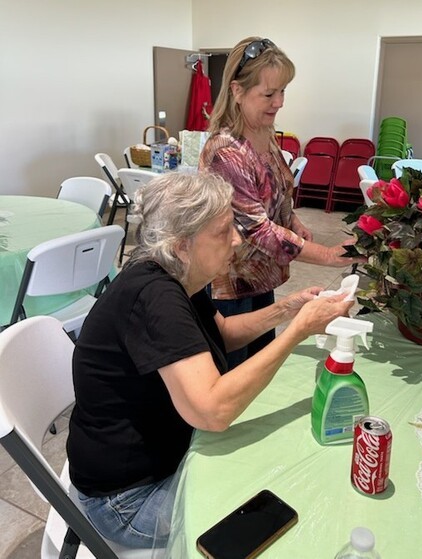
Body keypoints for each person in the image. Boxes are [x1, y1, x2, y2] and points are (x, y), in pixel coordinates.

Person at [66, 172, 354, 551]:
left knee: (282, 459)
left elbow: (224, 332)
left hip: (159, 460)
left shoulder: (178, 274)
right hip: (128, 501)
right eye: (222, 231)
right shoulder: (155, 297)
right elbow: (212, 412)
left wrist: (287, 309)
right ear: (182, 245)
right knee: (288, 490)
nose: (236, 239)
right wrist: (298, 331)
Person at [199, 37, 364, 367]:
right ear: (237, 91)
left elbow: (278, 192)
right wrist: (328, 255)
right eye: (269, 94)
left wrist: (293, 221)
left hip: (261, 274)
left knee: (262, 362)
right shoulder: (227, 152)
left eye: (283, 91)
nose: (279, 102)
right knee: (236, 371)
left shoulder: (264, 132)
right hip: (231, 282)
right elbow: (257, 230)